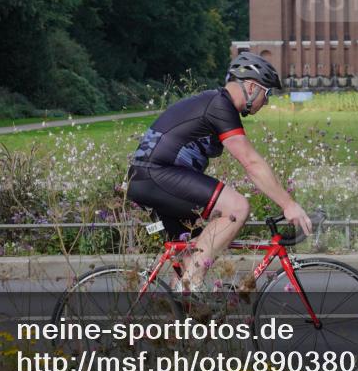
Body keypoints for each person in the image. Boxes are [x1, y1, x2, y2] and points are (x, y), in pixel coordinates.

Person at [126, 52, 313, 293]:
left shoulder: (214, 103)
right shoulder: (219, 105)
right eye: (267, 94)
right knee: (237, 208)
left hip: (150, 177)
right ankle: (189, 286)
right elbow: (251, 162)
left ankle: (181, 317)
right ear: (251, 87)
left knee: (192, 254)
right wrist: (288, 204)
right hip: (156, 175)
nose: (266, 103)